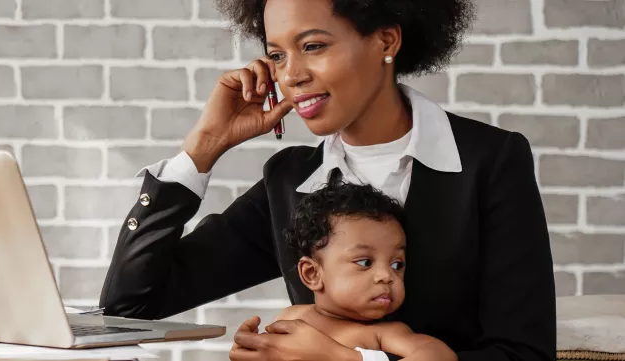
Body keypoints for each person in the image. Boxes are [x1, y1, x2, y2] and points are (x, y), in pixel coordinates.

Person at [99, 0, 557, 360]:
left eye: (313, 46)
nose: (292, 75)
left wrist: (351, 360)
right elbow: (130, 307)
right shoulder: (291, 181)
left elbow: (522, 353)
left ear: (385, 41)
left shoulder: (489, 161)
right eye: (277, 55)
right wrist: (204, 146)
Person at [270, 180, 456, 361]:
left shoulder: (383, 333)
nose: (386, 276)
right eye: (365, 262)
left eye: (397, 265)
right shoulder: (291, 316)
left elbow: (440, 354)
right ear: (313, 274)